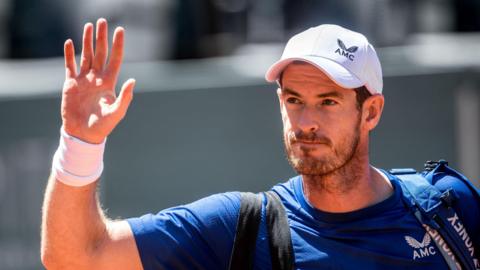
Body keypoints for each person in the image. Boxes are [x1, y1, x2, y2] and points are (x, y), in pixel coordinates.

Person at [41, 18, 480, 270]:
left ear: (371, 112)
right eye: (294, 100)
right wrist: (80, 142)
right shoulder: (241, 228)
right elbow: (76, 256)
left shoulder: (448, 207)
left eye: (328, 101)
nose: (306, 122)